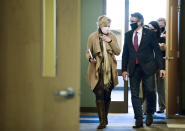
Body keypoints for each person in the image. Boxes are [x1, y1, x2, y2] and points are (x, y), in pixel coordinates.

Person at [122, 12, 166, 128]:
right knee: (134, 94)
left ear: (140, 22)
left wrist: (162, 68)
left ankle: (150, 113)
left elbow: (157, 52)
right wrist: (124, 69)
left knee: (150, 91)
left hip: (148, 68)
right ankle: (138, 119)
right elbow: (125, 53)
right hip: (133, 68)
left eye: (133, 21)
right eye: (130, 21)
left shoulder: (150, 34)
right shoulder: (128, 35)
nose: (131, 23)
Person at [86, 15, 121, 129]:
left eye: (109, 26)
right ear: (100, 25)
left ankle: (105, 119)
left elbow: (117, 51)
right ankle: (102, 121)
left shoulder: (112, 36)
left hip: (109, 70)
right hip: (97, 70)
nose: (107, 28)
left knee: (107, 95)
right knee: (99, 94)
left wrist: (109, 40)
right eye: (105, 26)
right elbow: (88, 51)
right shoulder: (92, 36)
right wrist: (90, 58)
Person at [156, 18, 167, 113]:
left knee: (161, 86)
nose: (160, 27)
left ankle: (162, 106)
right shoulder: (153, 34)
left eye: (161, 25)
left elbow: (165, 47)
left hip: (163, 63)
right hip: (152, 63)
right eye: (158, 25)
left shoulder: (168, 34)